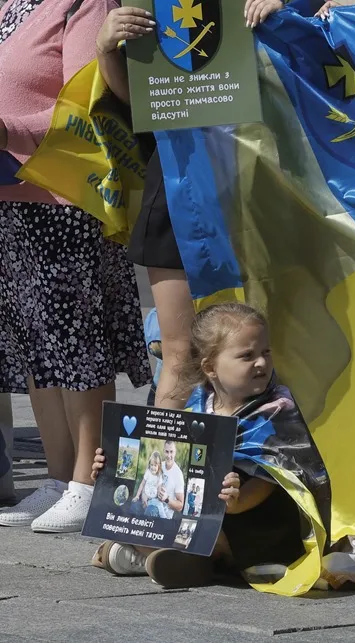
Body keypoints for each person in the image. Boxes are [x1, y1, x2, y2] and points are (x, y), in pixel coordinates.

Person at [0, 0, 151, 534]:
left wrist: (4, 129)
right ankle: (59, 477)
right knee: (35, 343)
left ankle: (90, 481)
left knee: (76, 341)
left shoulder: (83, 5)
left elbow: (87, 103)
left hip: (65, 198)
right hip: (11, 198)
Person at [95, 0, 287, 412]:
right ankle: (161, 475)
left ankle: (268, 468)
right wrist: (106, 48)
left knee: (274, 347)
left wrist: (289, 9)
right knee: (180, 353)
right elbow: (143, 100)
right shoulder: (154, 6)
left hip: (259, 186)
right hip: (178, 187)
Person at [89, 303, 336, 591]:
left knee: (214, 531)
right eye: (247, 356)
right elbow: (168, 468)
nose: (261, 363)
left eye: (265, 352)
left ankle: (155, 556)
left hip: (257, 519)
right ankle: (178, 556)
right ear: (210, 367)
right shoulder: (197, 402)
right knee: (145, 514)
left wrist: (238, 501)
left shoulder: (277, 408)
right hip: (206, 513)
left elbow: (275, 477)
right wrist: (112, 472)